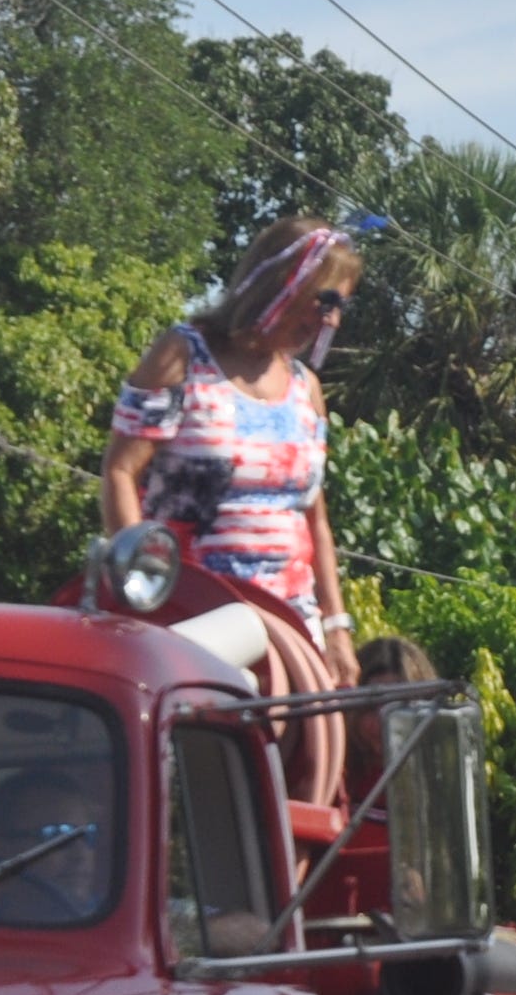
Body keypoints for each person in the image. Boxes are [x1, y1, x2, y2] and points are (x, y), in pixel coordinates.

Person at [104, 216, 361, 662]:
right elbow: (120, 471)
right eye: (325, 301)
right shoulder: (182, 357)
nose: (331, 319)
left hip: (291, 631)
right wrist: (143, 586)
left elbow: (314, 519)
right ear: (284, 283)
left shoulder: (306, 388)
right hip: (192, 618)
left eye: (341, 306)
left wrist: (336, 626)